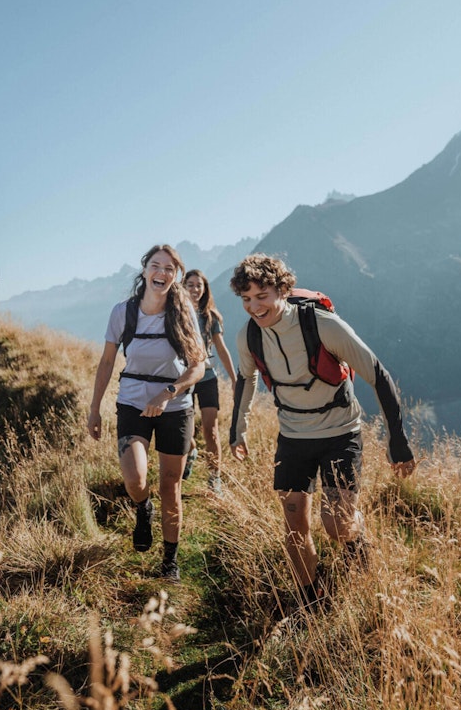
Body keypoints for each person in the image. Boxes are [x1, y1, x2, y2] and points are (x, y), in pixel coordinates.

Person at [227, 255, 416, 605]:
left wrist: (398, 440)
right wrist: (238, 430)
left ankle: (355, 541)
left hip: (340, 433)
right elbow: (246, 379)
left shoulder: (323, 326)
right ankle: (312, 599)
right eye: (246, 299)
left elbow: (378, 375)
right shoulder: (249, 337)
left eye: (262, 295)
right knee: (294, 523)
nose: (254, 306)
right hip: (293, 436)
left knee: (336, 523)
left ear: (282, 289)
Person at [88, 245, 207, 581]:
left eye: (170, 268)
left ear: (176, 275)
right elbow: (108, 362)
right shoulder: (123, 312)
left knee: (171, 486)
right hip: (131, 403)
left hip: (175, 408)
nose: (162, 272)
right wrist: (94, 409)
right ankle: (143, 507)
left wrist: (169, 393)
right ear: (144, 271)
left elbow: (198, 367)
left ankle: (170, 561)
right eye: (156, 266)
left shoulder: (183, 314)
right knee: (135, 479)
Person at [183, 269, 237, 493]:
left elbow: (222, 349)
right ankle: (192, 450)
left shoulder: (210, 316)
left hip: (207, 378)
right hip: (183, 378)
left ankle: (215, 477)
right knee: (185, 430)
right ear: (183, 287)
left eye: (199, 286)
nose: (195, 289)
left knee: (211, 430)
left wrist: (234, 380)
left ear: (205, 290)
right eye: (191, 284)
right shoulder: (175, 313)